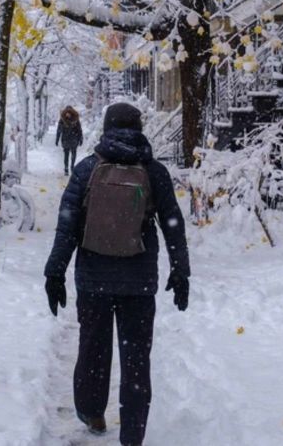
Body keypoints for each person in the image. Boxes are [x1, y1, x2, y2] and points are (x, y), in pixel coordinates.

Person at [44, 103, 190, 446]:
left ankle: (92, 412)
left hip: (93, 278)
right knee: (136, 357)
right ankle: (132, 435)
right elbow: (172, 223)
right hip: (138, 281)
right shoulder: (153, 171)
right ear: (139, 128)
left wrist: (55, 273)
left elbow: (67, 226)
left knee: (93, 347)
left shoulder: (86, 169)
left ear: (107, 129)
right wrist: (181, 271)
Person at [56, 106, 84, 175]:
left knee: (67, 154)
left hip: (66, 139)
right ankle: (70, 167)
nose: (67, 114)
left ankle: (68, 167)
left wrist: (57, 139)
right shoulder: (75, 120)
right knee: (71, 153)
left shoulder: (62, 120)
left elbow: (59, 130)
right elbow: (79, 130)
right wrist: (80, 139)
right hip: (73, 139)